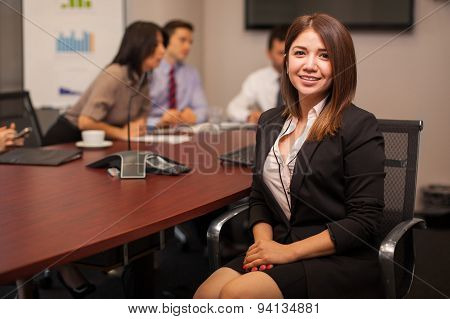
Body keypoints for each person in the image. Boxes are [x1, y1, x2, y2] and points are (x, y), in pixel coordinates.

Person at [194, 13, 386, 299]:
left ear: (341, 66)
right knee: (205, 295)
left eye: (324, 56)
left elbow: (364, 221)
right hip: (279, 243)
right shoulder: (270, 121)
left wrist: (287, 252)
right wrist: (264, 247)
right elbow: (259, 197)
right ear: (286, 60)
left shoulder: (359, 125)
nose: (309, 65)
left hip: (337, 257)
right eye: (300, 53)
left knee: (237, 295)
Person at [44, 21, 166, 145]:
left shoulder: (143, 78)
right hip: (67, 139)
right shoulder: (115, 73)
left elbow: (141, 115)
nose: (162, 50)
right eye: (156, 45)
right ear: (139, 45)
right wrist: (121, 133)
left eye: (163, 44)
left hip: (99, 142)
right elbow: (85, 122)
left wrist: (138, 124)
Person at [147, 20, 208, 128]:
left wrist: (194, 116)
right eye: (182, 40)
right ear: (166, 40)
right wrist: (159, 121)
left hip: (182, 131)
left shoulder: (191, 73)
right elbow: (134, 117)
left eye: (190, 42)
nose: (187, 47)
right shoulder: (149, 70)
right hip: (152, 132)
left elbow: (203, 109)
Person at [227, 25, 288, 124]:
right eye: (281, 53)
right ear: (269, 54)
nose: (286, 58)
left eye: (289, 52)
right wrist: (249, 116)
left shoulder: (303, 78)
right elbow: (233, 108)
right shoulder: (256, 79)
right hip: (268, 132)